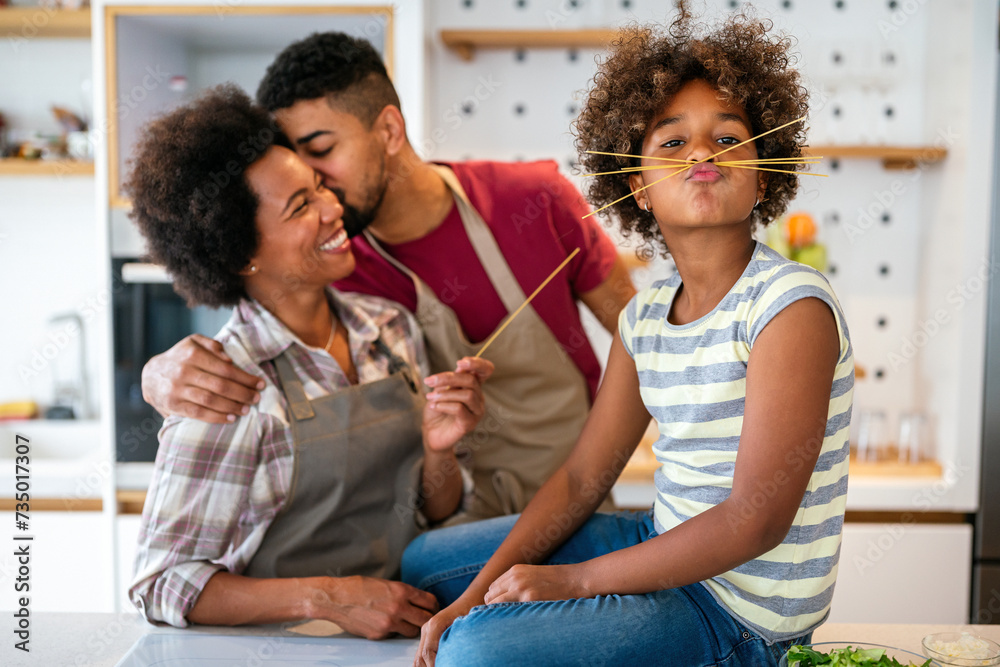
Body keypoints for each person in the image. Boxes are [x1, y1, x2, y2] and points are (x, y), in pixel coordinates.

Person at [402, 8, 854, 667]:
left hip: (741, 614)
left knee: (476, 654)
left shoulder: (789, 307)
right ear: (637, 186)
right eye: (673, 142)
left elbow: (755, 519)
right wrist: (470, 595)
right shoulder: (643, 319)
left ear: (763, 172)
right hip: (667, 535)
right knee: (426, 566)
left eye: (729, 138)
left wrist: (572, 581)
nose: (703, 153)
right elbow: (586, 475)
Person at [139, 32, 636, 521]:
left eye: (321, 149)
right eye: (295, 163)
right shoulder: (329, 264)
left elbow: (640, 337)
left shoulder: (532, 199)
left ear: (390, 131)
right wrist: (155, 375)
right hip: (441, 534)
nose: (314, 183)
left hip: (579, 504)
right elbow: (251, 332)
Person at [125, 85, 494, 638]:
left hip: (403, 633)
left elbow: (432, 510)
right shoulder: (225, 385)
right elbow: (161, 582)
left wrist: (439, 452)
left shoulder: (390, 328)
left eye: (320, 186)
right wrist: (332, 598)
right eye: (301, 206)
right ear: (241, 253)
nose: (332, 208)